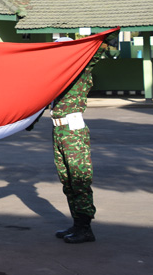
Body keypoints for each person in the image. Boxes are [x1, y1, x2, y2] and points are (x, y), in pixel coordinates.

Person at [45, 36, 108, 244]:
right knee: (67, 180)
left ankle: (85, 228)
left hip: (73, 131)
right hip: (59, 130)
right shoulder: (57, 75)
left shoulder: (81, 71)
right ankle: (77, 223)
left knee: (79, 178)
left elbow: (99, 50)